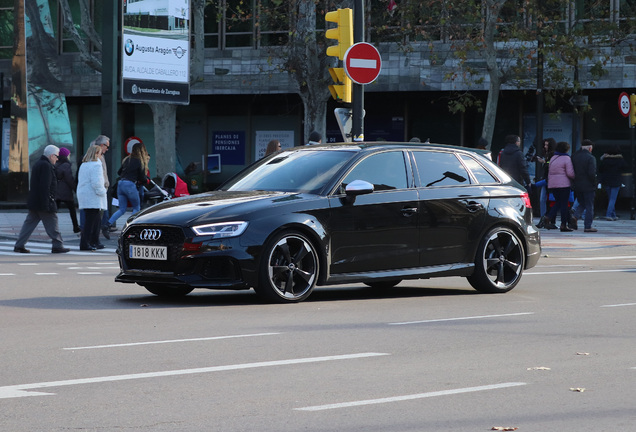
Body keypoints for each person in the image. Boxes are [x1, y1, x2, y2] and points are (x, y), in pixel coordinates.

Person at [13, 145, 70, 254]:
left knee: (29, 225)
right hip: (44, 202)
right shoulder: (46, 166)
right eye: (57, 156)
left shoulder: (39, 163)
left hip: (35, 201)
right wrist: (47, 204)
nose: (57, 159)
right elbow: (45, 186)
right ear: (52, 156)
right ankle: (57, 245)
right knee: (53, 224)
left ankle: (19, 245)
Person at [102, 142, 150, 236]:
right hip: (130, 185)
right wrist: (146, 180)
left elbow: (119, 172)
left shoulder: (127, 159)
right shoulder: (139, 161)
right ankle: (131, 228)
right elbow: (142, 178)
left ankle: (107, 225)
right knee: (136, 207)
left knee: (122, 209)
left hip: (121, 184)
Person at [76, 145, 107, 251]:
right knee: (92, 220)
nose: (101, 155)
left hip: (85, 194)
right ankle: (86, 242)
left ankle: (94, 241)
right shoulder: (96, 165)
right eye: (100, 153)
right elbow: (96, 182)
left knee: (94, 219)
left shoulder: (84, 165)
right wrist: (103, 191)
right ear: (96, 154)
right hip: (93, 195)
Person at [540, 141, 575, 232]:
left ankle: (548, 217)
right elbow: (570, 173)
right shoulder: (566, 159)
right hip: (564, 185)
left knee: (558, 202)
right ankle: (563, 225)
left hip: (553, 185)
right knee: (564, 204)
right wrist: (575, 177)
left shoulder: (553, 158)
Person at [571, 139, 598, 232]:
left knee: (582, 203)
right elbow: (592, 173)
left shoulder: (574, 156)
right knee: (589, 205)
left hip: (577, 184)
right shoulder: (591, 158)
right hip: (588, 185)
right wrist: (594, 183)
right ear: (590, 148)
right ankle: (587, 226)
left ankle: (575, 216)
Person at [55, 147, 81, 233]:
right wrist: (75, 188)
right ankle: (76, 227)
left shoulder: (56, 164)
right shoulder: (66, 165)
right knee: (72, 210)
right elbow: (69, 179)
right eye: (68, 154)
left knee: (55, 210)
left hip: (57, 190)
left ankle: (53, 227)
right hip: (65, 191)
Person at [599, 144, 628, 221]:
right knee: (613, 199)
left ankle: (613, 215)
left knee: (610, 198)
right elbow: (625, 167)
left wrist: (602, 158)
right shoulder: (620, 160)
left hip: (606, 181)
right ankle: (608, 215)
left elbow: (600, 169)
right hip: (616, 180)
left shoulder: (605, 160)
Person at [535, 138, 556, 225]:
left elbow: (550, 164)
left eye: (547, 145)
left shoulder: (552, 155)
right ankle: (544, 218)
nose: (545, 146)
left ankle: (545, 218)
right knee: (543, 199)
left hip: (548, 180)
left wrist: (544, 162)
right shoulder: (548, 155)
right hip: (547, 179)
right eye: (545, 145)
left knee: (544, 199)